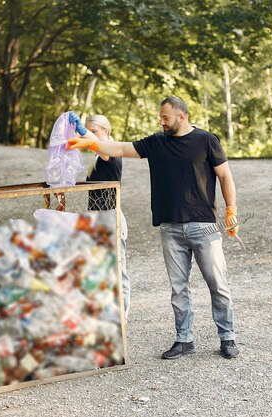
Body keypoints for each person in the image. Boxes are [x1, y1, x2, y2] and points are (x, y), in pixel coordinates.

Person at [67, 96, 240, 359]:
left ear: (181, 116)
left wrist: (231, 209)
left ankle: (227, 337)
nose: (161, 121)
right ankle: (184, 340)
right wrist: (92, 142)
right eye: (160, 117)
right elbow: (121, 149)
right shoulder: (157, 143)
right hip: (170, 227)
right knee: (178, 288)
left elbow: (225, 175)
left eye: (165, 117)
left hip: (203, 225)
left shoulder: (206, 140)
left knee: (217, 283)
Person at [84, 115, 131, 320]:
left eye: (94, 131)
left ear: (106, 130)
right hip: (96, 217)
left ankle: (123, 313)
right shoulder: (97, 156)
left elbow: (98, 147)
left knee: (117, 267)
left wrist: (83, 134)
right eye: (88, 130)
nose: (90, 135)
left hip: (110, 216)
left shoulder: (110, 149)